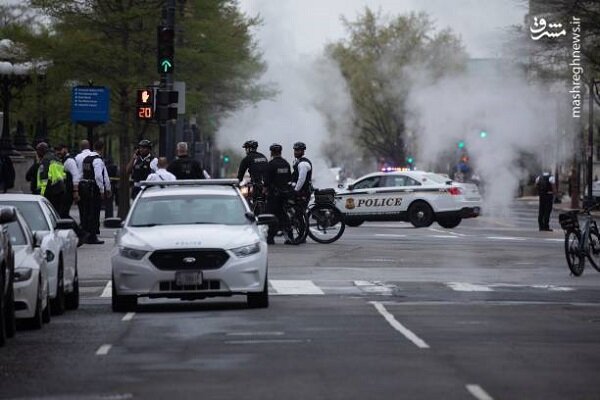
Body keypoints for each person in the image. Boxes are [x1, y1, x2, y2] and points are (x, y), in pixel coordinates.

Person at [80, 140, 111, 245]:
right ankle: (92, 236)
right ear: (102, 148)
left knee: (86, 211)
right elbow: (99, 176)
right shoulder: (97, 160)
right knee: (94, 212)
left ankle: (86, 234)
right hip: (94, 188)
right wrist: (103, 189)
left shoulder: (86, 159)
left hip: (85, 188)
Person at [264, 143, 292, 245]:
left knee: (271, 216)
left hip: (274, 195)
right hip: (285, 194)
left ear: (272, 152)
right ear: (280, 152)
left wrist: (265, 190)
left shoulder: (271, 164)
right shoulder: (286, 163)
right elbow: (289, 178)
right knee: (283, 214)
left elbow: (267, 182)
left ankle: (270, 238)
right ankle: (290, 236)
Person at [36, 142, 66, 212]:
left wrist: (42, 193)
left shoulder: (46, 160)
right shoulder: (56, 158)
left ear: (41, 151)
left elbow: (44, 178)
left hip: (51, 191)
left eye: (37, 151)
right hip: (60, 189)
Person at [55, 144, 80, 219]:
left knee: (63, 213)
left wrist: (75, 191)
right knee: (63, 213)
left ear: (65, 149)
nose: (58, 152)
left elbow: (75, 175)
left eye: (60, 150)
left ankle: (77, 229)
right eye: (56, 151)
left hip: (68, 191)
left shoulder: (69, 161)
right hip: (65, 191)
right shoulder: (64, 160)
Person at [291, 141, 313, 210]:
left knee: (298, 212)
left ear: (303, 151)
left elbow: (301, 179)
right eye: (295, 150)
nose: (295, 152)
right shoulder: (298, 161)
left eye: (298, 150)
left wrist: (295, 191)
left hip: (303, 192)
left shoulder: (303, 163)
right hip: (301, 191)